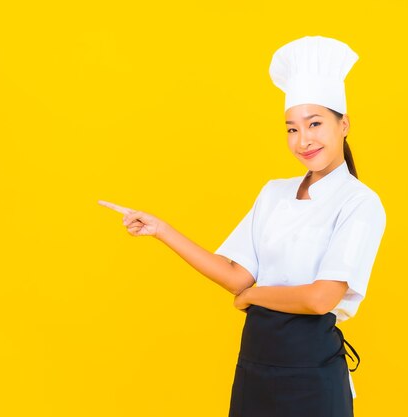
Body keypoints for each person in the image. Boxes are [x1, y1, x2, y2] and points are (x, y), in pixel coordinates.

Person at [98, 35, 386, 417]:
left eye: (315, 124)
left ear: (344, 124)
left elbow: (320, 299)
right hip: (255, 366)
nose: (303, 140)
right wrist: (161, 230)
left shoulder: (360, 203)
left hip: (312, 376)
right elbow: (236, 276)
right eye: (292, 129)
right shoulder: (274, 193)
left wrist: (253, 297)